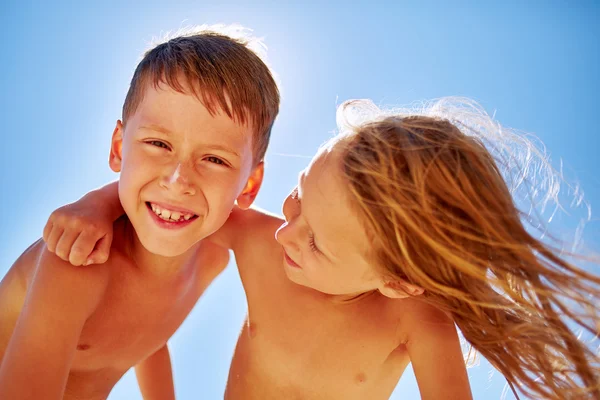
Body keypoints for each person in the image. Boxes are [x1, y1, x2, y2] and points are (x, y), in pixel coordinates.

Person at [43, 98, 600, 399]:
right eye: (295, 200)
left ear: (400, 279)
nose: (286, 232)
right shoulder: (260, 242)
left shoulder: (418, 320)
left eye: (316, 242)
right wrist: (98, 204)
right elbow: (179, 203)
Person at [0, 25, 279, 400]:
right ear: (119, 148)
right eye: (158, 143)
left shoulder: (212, 258)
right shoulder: (77, 262)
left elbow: (147, 336)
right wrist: (98, 201)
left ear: (249, 184)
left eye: (214, 159)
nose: (178, 180)